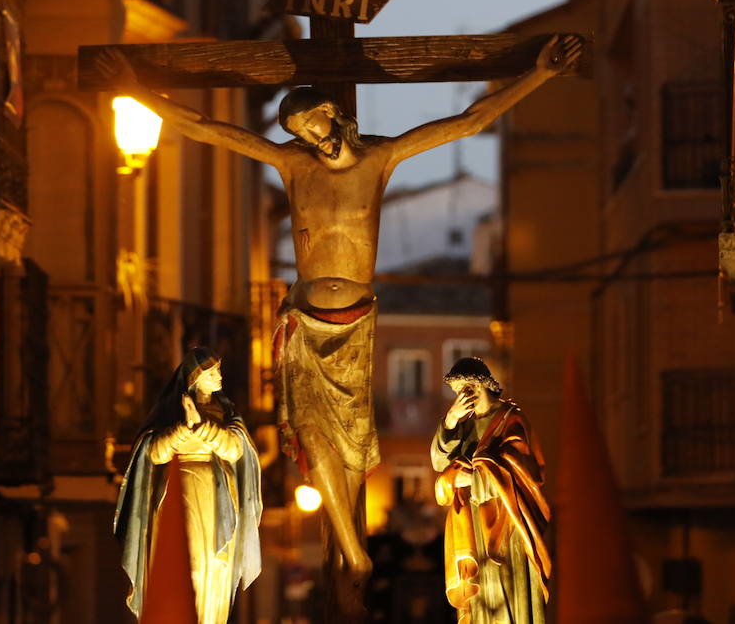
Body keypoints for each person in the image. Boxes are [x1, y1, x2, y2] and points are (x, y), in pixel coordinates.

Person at [95, 34, 583, 588]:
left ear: (331, 112)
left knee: (350, 436)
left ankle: (353, 549)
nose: (310, 140)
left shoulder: (380, 158)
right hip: (304, 317)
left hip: (354, 319)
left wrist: (539, 74)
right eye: (299, 135)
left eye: (313, 126)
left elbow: (469, 121)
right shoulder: (289, 164)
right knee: (311, 430)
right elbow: (210, 128)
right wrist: (137, 90)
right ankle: (354, 553)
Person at [114, 348, 263, 624]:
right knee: (189, 562)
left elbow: (234, 450)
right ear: (195, 378)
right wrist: (183, 428)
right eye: (212, 372)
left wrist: (203, 426)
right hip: (182, 491)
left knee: (216, 568)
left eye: (218, 370)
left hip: (218, 498)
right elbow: (155, 453)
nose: (219, 376)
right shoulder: (172, 414)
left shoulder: (225, 413)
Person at [431, 358, 552, 624]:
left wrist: (473, 480)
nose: (459, 400)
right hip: (473, 526)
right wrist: (450, 421)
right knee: (482, 596)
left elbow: (519, 469)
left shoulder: (511, 419)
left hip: (506, 522)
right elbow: (439, 463)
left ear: (476, 386)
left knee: (504, 587)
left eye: (462, 390)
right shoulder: (464, 424)